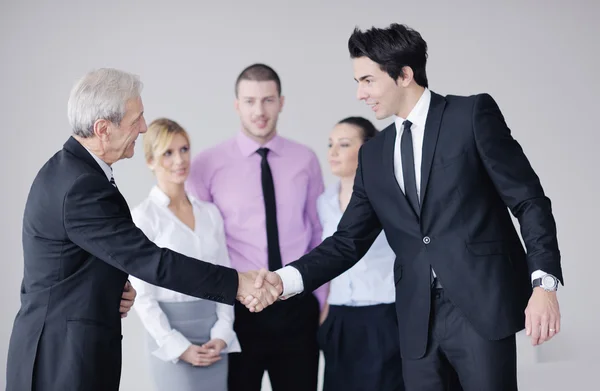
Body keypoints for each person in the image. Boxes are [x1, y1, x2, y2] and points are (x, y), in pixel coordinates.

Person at [246, 24, 564, 391]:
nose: (360, 93)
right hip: (415, 319)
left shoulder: (470, 115)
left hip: (479, 310)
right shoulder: (374, 155)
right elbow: (347, 241)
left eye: (367, 80)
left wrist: (544, 285)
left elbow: (529, 200)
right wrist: (283, 279)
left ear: (404, 75)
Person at [5, 68, 279, 391]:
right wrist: (237, 282)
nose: (144, 127)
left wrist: (112, 287)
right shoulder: (81, 186)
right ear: (103, 129)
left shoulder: (73, 172)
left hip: (67, 350)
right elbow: (152, 262)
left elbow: (75, 261)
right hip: (62, 360)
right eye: (136, 119)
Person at [186, 63, 326, 391]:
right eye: (250, 101)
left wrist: (320, 298)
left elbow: (318, 231)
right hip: (238, 308)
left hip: (296, 303)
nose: (259, 111)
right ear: (237, 105)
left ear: (281, 102)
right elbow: (201, 240)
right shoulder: (208, 164)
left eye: (267, 100)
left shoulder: (305, 159)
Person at [129, 118, 241, 391]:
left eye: (184, 149)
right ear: (150, 161)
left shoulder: (210, 213)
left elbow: (225, 276)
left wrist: (222, 333)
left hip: (214, 337)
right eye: (168, 152)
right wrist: (178, 346)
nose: (180, 160)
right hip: (169, 337)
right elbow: (142, 295)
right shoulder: (144, 216)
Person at [318, 116, 404, 391]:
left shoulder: (389, 197)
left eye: (343, 145)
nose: (332, 153)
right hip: (341, 317)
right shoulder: (324, 202)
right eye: (330, 144)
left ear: (367, 148)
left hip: (383, 315)